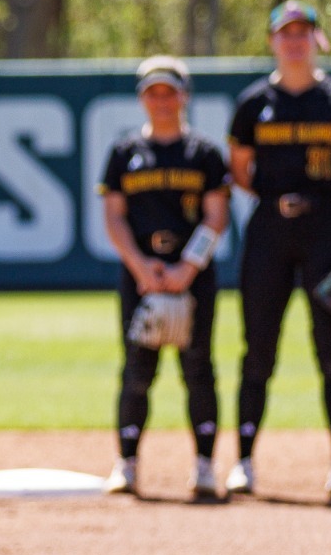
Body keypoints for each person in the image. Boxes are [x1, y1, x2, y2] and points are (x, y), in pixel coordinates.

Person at [226, 0, 331, 501]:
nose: (294, 41)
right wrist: (276, 200)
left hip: (324, 230)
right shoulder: (252, 104)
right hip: (269, 230)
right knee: (258, 352)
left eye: (302, 32)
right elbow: (240, 169)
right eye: (285, 33)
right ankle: (243, 460)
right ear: (272, 40)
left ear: (316, 39)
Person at [98, 56, 232, 499]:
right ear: (142, 98)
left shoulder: (205, 153)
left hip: (192, 276)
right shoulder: (125, 152)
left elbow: (216, 217)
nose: (161, 100)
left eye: (169, 91)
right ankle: (128, 463)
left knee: (198, 369)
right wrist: (141, 267)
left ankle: (205, 466)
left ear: (183, 96)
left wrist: (186, 269)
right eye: (152, 92)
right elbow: (114, 218)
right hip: (141, 276)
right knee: (137, 370)